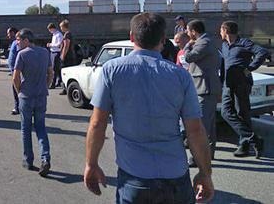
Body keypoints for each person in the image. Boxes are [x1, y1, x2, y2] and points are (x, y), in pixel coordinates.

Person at [84, 13, 214, 203]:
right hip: (175, 175)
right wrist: (205, 173)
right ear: (163, 40)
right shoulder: (180, 76)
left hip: (134, 177)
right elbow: (195, 130)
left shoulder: (111, 70)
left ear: (131, 37)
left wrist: (91, 163)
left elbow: (97, 123)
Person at [220, 21, 270, 158]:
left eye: (221, 30)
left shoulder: (244, 43)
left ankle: (244, 145)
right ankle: (253, 138)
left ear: (226, 31)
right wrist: (221, 82)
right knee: (226, 112)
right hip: (227, 84)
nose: (220, 33)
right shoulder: (224, 45)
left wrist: (250, 68)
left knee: (242, 113)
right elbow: (224, 64)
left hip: (241, 83)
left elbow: (262, 52)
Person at [13, 28, 53, 177]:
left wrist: (19, 92)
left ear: (26, 40)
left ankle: (28, 160)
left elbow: (15, 77)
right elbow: (51, 73)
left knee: (26, 129)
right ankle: (45, 158)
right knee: (41, 128)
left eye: (19, 40)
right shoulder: (44, 52)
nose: (17, 43)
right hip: (41, 95)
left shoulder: (22, 55)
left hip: (26, 96)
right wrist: (46, 86)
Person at [184, 20, 221, 167]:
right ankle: (208, 155)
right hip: (206, 87)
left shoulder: (203, 42)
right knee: (209, 126)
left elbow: (189, 57)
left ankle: (198, 159)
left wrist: (187, 46)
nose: (187, 33)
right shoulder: (206, 41)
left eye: (188, 30)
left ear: (193, 31)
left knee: (201, 126)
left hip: (204, 88)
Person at [59, 20, 76, 95]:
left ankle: (65, 89)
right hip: (70, 56)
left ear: (64, 26)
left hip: (67, 57)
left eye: (61, 27)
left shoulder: (67, 34)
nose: (60, 28)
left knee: (65, 72)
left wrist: (63, 55)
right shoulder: (69, 33)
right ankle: (67, 88)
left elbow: (66, 45)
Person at [46, 23, 63, 89]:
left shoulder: (59, 35)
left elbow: (59, 44)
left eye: (50, 30)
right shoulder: (54, 35)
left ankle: (52, 84)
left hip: (56, 52)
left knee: (54, 68)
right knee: (57, 69)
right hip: (53, 52)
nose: (50, 31)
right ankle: (59, 81)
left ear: (52, 28)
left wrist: (50, 45)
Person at [7, 27, 20, 115]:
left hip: (18, 71)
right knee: (15, 89)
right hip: (13, 70)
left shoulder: (18, 43)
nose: (8, 35)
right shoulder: (14, 42)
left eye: (8, 33)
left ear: (13, 32)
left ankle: (18, 107)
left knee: (17, 89)